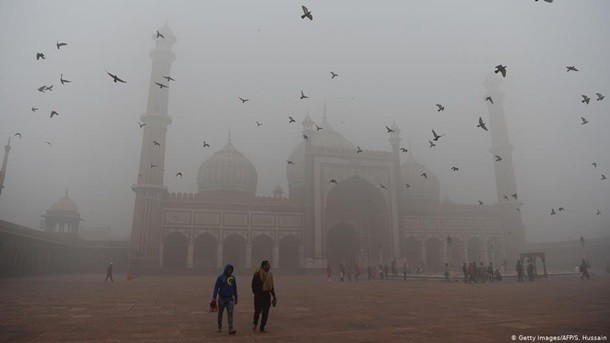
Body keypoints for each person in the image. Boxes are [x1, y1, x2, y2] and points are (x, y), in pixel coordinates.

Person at [212, 264, 238, 335]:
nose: (230, 271)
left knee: (230, 314)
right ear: (226, 269)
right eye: (228, 270)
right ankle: (220, 326)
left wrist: (236, 297)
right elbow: (216, 288)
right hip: (222, 299)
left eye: (231, 270)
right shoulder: (220, 278)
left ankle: (230, 329)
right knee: (220, 313)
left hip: (230, 299)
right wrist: (214, 297)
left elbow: (234, 288)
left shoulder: (232, 278)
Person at [251, 260, 277, 333]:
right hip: (259, 296)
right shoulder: (257, 274)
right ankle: (255, 323)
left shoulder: (270, 275)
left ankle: (262, 327)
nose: (269, 266)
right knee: (257, 311)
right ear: (264, 266)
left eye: (269, 265)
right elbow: (253, 285)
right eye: (268, 265)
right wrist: (256, 294)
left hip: (266, 295)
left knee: (265, 312)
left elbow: (271, 286)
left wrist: (274, 295)